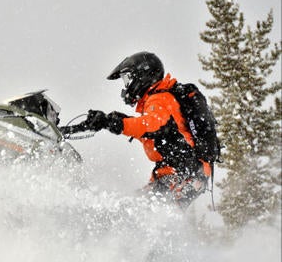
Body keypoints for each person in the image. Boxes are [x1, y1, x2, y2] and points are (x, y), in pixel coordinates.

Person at [64, 51, 212, 209]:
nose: (126, 86)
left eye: (128, 79)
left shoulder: (160, 99)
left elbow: (150, 125)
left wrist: (117, 123)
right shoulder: (160, 100)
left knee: (134, 214)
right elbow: (155, 134)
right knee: (135, 209)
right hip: (183, 173)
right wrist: (112, 121)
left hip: (180, 174)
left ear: (142, 75)